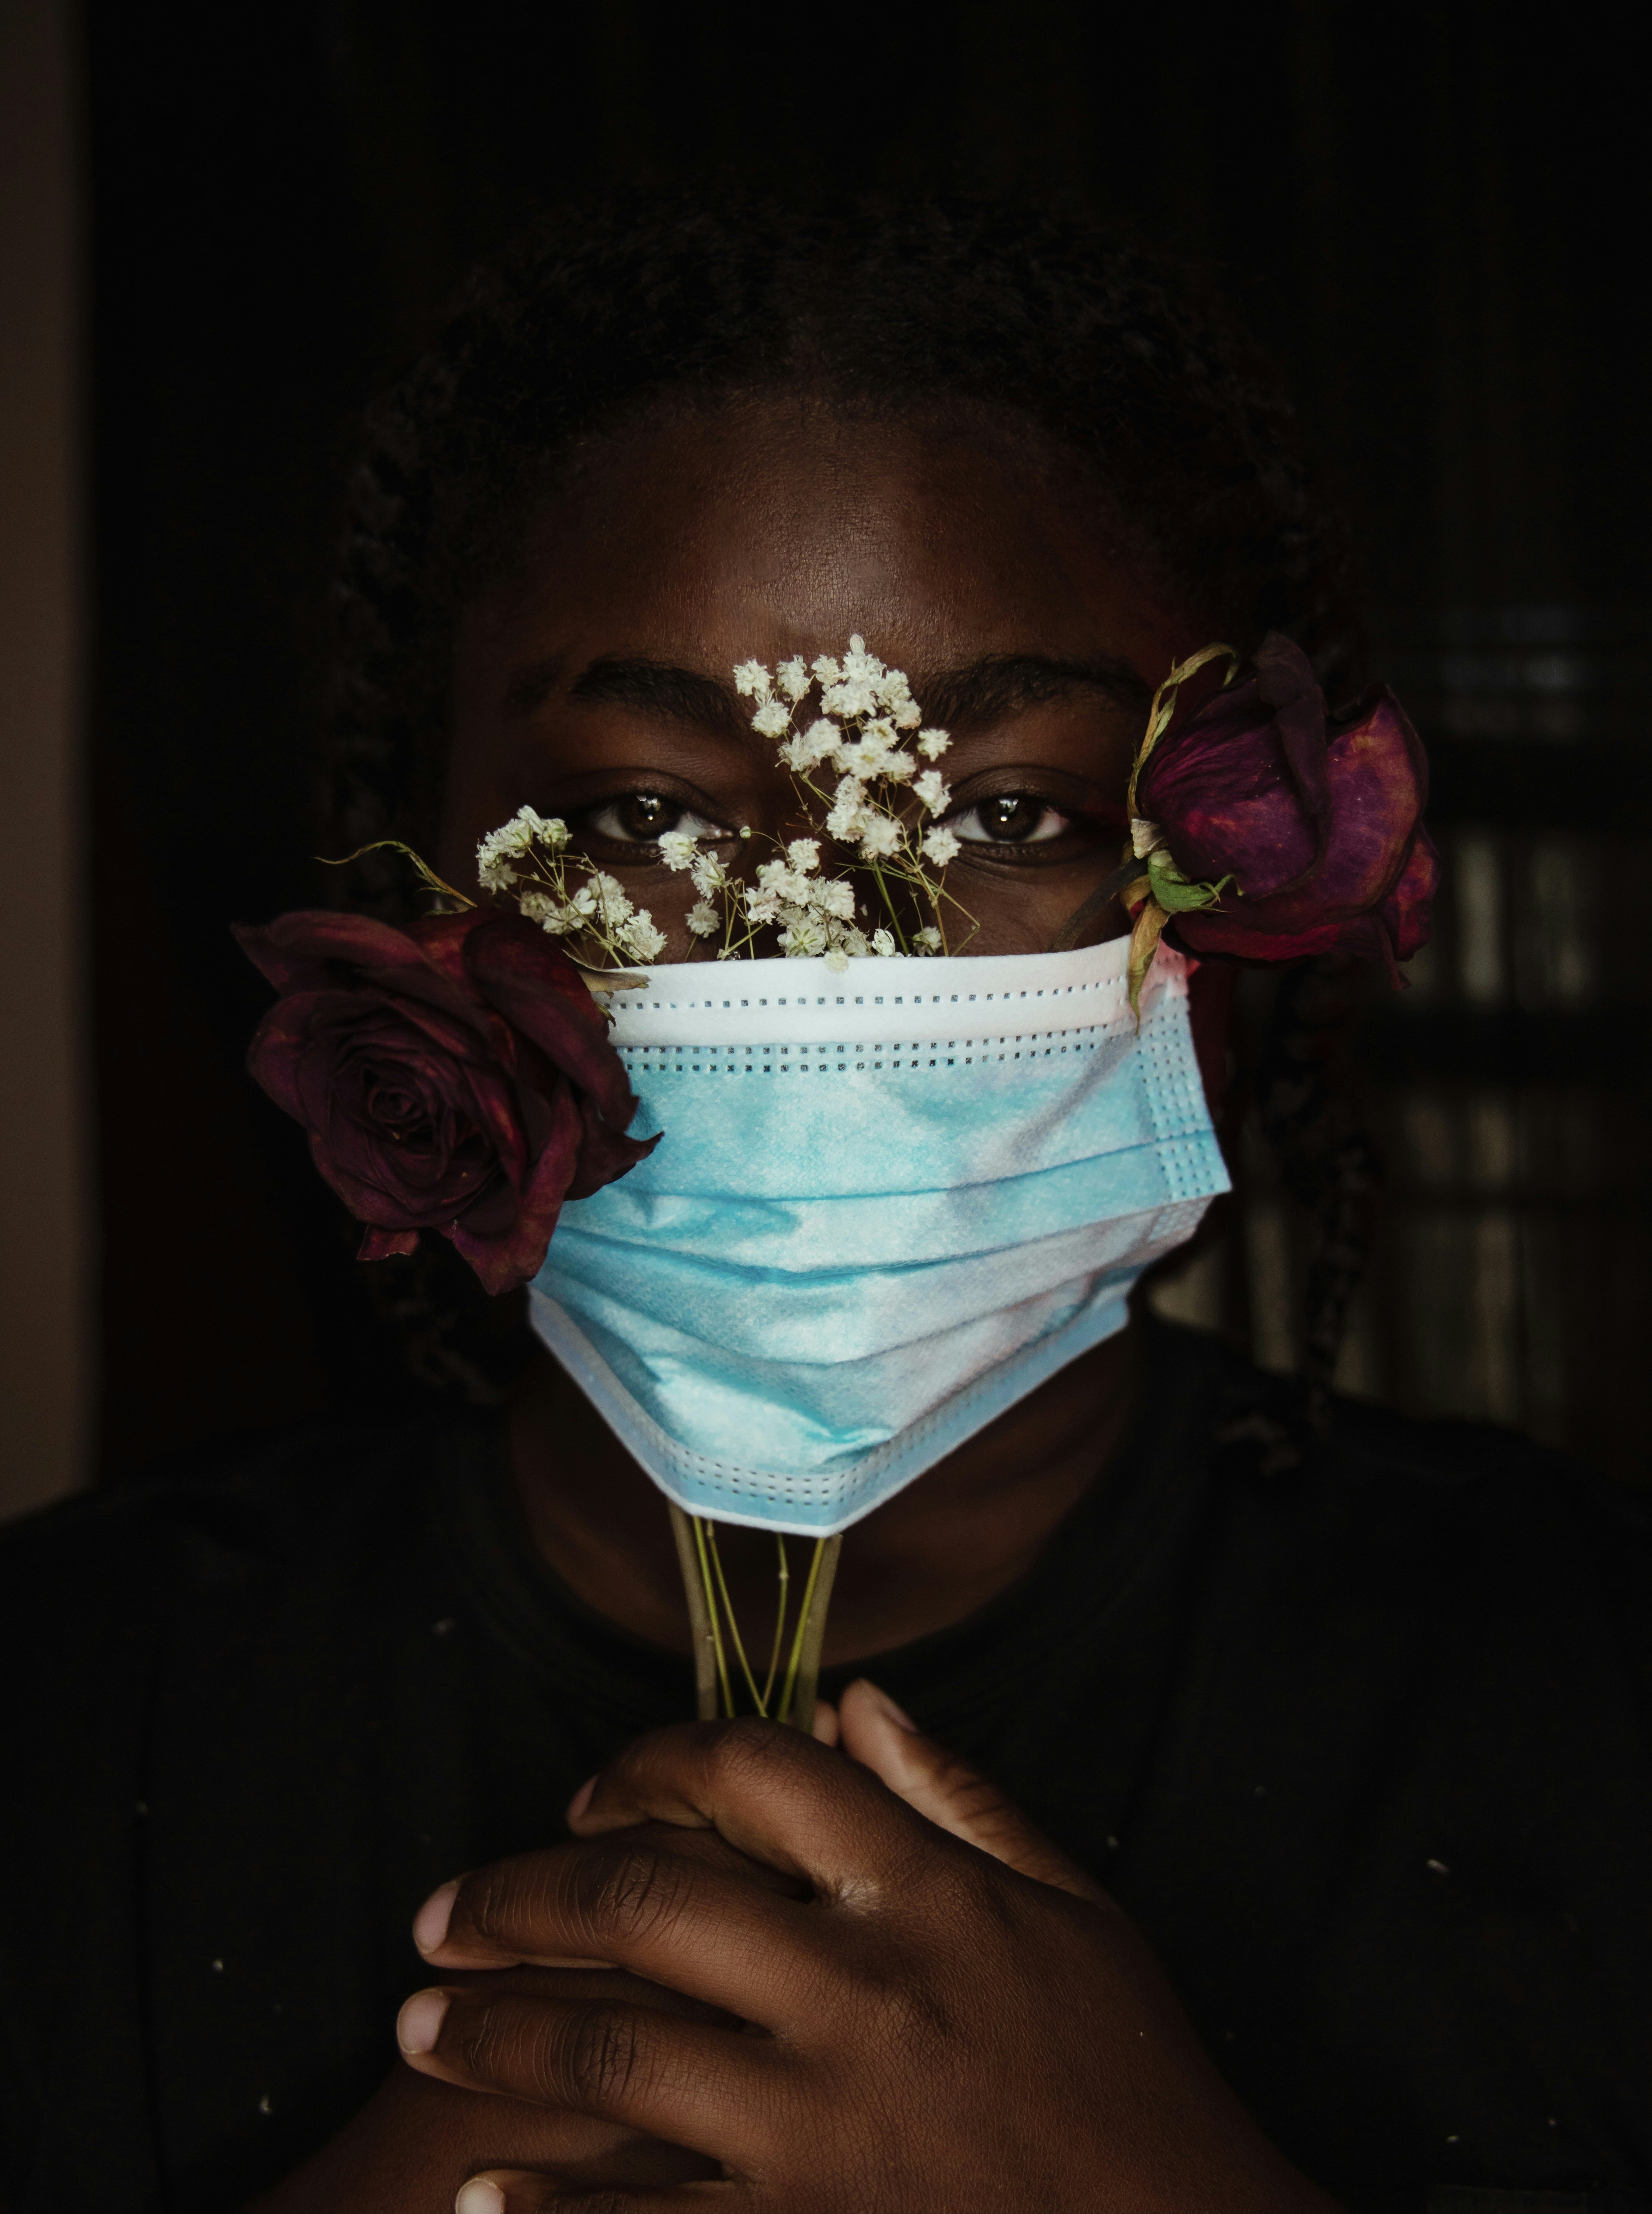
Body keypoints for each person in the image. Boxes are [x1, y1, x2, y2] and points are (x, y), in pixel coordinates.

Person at [3, 194, 1648, 2214]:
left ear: (1241, 890)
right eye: (643, 812)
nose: (827, 958)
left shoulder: (1585, 1703)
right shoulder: (70, 1717)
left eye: (1009, 814)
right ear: (412, 886)